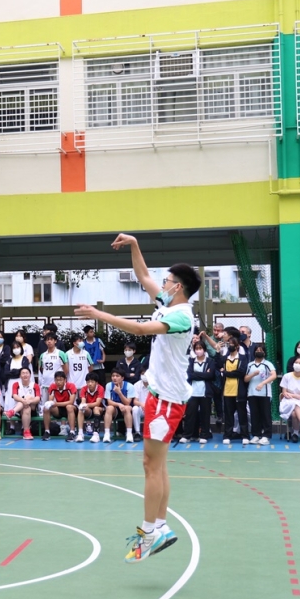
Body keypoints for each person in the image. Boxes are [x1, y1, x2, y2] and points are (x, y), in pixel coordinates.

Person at [75, 233, 200, 562]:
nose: (162, 283)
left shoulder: (181, 315)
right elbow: (143, 275)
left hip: (166, 400)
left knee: (150, 466)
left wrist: (98, 314)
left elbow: (141, 330)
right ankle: (160, 526)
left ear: (179, 286)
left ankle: (149, 533)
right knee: (157, 465)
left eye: (167, 280)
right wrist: (134, 245)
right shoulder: (168, 303)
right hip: (163, 396)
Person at [182, 340, 216, 444]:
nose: (198, 350)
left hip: (205, 392)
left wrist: (196, 374)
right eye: (196, 349)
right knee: (190, 414)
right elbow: (189, 375)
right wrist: (203, 374)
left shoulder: (210, 361)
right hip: (193, 393)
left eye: (200, 348)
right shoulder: (191, 361)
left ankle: (204, 435)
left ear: (204, 349)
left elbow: (210, 376)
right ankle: (188, 435)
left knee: (205, 414)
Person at [244, 343, 276, 446]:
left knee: (266, 415)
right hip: (252, 393)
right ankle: (256, 435)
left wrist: (263, 383)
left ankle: (266, 436)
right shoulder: (250, 365)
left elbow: (274, 375)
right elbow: (245, 379)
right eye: (257, 350)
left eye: (261, 350)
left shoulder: (268, 364)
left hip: (265, 394)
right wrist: (253, 374)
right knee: (254, 415)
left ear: (264, 353)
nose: (259, 352)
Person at [220, 333, 249, 445]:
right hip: (227, 391)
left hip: (239, 391)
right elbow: (218, 365)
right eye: (229, 344)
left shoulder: (242, 358)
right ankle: (227, 435)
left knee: (242, 414)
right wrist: (217, 351)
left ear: (237, 346)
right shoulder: (225, 358)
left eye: (232, 344)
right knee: (228, 414)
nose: (230, 346)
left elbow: (241, 372)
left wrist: (226, 373)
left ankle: (245, 435)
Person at [43, 371, 78, 442]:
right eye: (57, 380)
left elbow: (71, 402)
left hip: (71, 408)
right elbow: (51, 401)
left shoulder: (71, 386)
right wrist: (50, 404)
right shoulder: (52, 386)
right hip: (58, 409)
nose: (58, 382)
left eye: (61, 380)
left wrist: (56, 404)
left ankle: (72, 432)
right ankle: (47, 432)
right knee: (46, 408)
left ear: (65, 380)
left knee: (69, 407)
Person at [8, 367, 41, 440]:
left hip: (33, 408)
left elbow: (38, 398)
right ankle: (26, 432)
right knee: (26, 408)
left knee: (29, 397)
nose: (25, 375)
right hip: (20, 410)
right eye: (23, 373)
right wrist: (24, 401)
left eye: (27, 373)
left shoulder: (35, 385)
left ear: (30, 375)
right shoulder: (16, 384)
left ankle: (13, 411)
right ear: (20, 376)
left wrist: (29, 401)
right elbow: (15, 396)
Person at [103, 369, 135, 444]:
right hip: (115, 409)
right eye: (113, 376)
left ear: (122, 378)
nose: (114, 378)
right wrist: (119, 404)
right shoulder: (109, 385)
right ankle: (107, 434)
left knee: (127, 408)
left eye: (117, 376)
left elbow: (128, 402)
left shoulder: (129, 386)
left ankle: (129, 434)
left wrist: (119, 393)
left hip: (126, 409)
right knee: (109, 408)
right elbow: (109, 402)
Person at [75, 372, 105, 443]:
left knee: (96, 408)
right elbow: (83, 401)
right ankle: (80, 434)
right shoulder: (84, 389)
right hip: (89, 410)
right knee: (81, 409)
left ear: (96, 382)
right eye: (88, 382)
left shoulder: (100, 388)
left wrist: (85, 405)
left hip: (100, 410)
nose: (90, 384)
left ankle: (96, 434)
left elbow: (97, 403)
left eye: (92, 382)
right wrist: (83, 405)